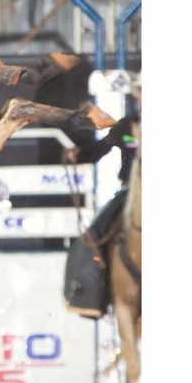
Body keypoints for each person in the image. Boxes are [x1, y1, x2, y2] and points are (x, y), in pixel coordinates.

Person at [63, 70, 141, 318]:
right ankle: (88, 296)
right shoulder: (127, 125)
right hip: (131, 192)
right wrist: (80, 155)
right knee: (92, 237)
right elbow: (100, 150)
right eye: (140, 91)